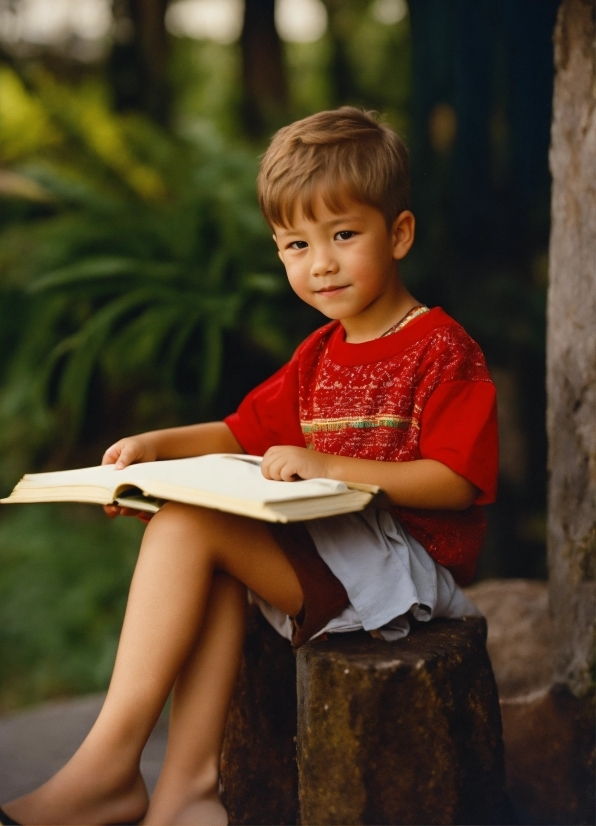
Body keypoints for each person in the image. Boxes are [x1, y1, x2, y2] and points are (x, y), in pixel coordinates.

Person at [0, 107, 498, 826]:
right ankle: (186, 794)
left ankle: (110, 770)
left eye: (343, 235)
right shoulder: (320, 355)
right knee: (197, 540)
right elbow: (240, 429)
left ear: (399, 233)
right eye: (296, 244)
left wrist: (329, 461)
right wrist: (155, 448)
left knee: (191, 531)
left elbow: (455, 482)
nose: (320, 262)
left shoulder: (440, 348)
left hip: (406, 568)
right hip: (338, 554)